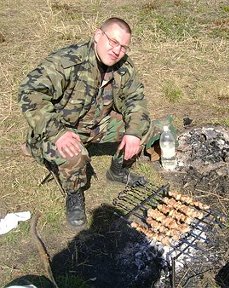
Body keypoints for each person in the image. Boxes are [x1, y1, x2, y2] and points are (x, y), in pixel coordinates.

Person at [18, 17, 171, 228]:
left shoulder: (123, 67)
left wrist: (133, 133)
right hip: (60, 129)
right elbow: (30, 92)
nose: (117, 50)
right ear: (98, 35)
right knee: (74, 156)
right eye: (113, 42)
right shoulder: (68, 61)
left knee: (142, 126)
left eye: (123, 47)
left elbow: (136, 101)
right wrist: (57, 132)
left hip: (95, 125)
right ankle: (74, 193)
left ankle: (118, 170)